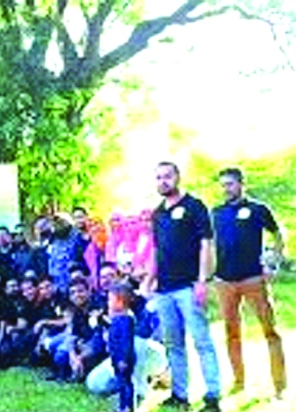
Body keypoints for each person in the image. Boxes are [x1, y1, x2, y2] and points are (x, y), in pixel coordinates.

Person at [148, 161, 221, 412]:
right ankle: (180, 395)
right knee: (173, 344)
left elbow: (206, 244)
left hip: (189, 287)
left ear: (177, 177)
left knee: (202, 341)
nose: (163, 181)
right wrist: (149, 280)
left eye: (167, 176)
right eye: (158, 178)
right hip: (164, 290)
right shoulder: (157, 213)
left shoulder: (195, 206)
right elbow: (156, 250)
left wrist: (202, 280)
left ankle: (213, 396)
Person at [212, 167, 287, 398]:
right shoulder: (216, 212)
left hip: (254, 278)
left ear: (242, 184)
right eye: (223, 185)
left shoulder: (258, 209)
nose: (226, 189)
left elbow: (278, 235)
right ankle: (239, 382)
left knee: (270, 331)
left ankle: (279, 387)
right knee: (231, 333)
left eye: (230, 184)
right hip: (224, 281)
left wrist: (273, 263)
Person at [107, 283, 136, 412]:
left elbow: (126, 341)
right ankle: (121, 403)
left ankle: (128, 405)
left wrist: (124, 358)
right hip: (116, 356)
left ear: (120, 302)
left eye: (110, 300)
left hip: (122, 358)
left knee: (125, 381)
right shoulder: (116, 319)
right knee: (120, 381)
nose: (108, 303)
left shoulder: (125, 320)